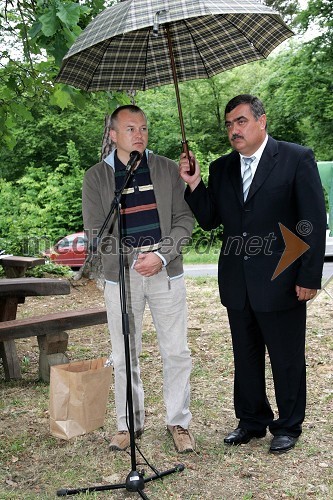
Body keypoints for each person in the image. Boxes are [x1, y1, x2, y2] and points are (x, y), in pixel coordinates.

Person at [179, 94, 326, 454]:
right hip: (237, 281)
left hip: (283, 278)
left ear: (261, 121)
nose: (234, 130)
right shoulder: (222, 167)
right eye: (229, 124)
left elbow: (313, 222)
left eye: (241, 121)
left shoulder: (295, 158)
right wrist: (195, 184)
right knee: (245, 355)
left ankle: (289, 425)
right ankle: (251, 420)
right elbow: (212, 219)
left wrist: (309, 277)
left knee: (285, 356)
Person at [82, 105, 195, 453]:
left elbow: (184, 220)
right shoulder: (96, 177)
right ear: (113, 135)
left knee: (176, 350)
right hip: (122, 277)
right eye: (130, 129)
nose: (139, 135)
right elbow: (95, 232)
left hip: (165, 270)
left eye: (144, 128)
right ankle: (129, 423)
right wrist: (133, 258)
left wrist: (160, 255)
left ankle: (178, 421)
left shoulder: (166, 169)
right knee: (124, 352)